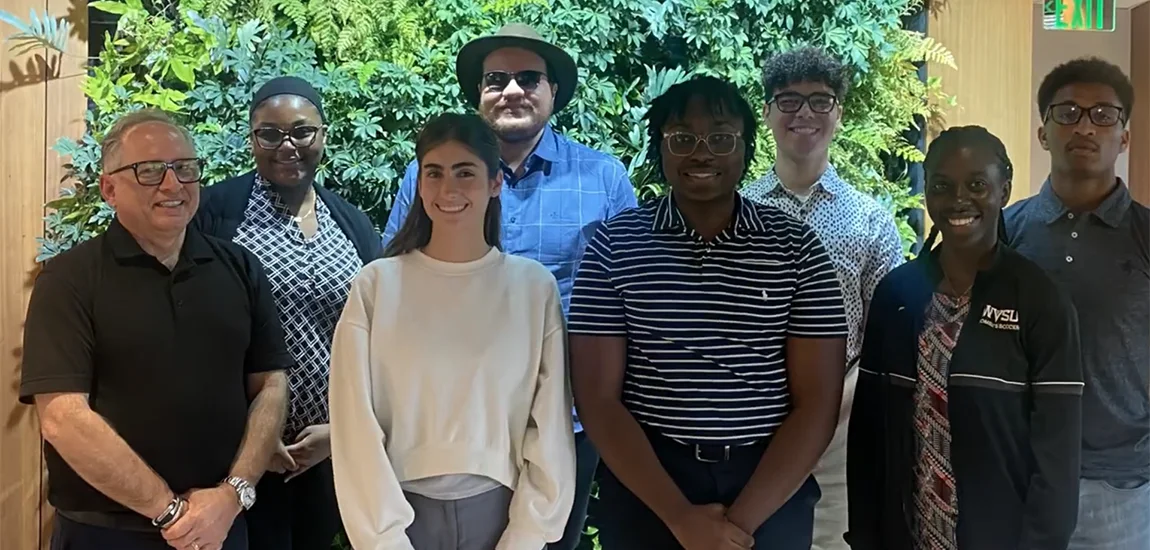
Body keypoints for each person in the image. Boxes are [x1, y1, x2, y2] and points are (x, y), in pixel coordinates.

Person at [568, 75, 849, 550]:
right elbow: (597, 399)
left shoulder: (796, 248)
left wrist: (737, 525)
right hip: (649, 487)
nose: (701, 152)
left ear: (745, 148)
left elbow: (819, 403)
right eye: (682, 138)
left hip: (769, 483)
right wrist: (681, 518)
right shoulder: (614, 247)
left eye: (720, 137)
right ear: (660, 148)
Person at [383, 26, 636, 547]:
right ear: (478, 94)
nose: (512, 90)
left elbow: (631, 302)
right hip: (448, 422)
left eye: (528, 78)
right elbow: (397, 285)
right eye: (496, 79)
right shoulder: (427, 177)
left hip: (567, 417)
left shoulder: (604, 179)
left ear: (553, 92)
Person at [19, 109, 291, 550]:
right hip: (105, 534)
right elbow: (63, 418)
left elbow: (271, 385)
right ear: (109, 188)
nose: (172, 185)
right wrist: (171, 512)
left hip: (222, 527)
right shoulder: (69, 280)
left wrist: (231, 494)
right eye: (149, 171)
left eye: (185, 169)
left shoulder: (240, 268)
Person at [330, 112, 576, 550]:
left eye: (465, 173)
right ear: (419, 183)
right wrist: (383, 539)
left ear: (495, 182)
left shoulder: (532, 288)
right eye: (434, 173)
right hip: (397, 517)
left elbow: (551, 426)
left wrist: (527, 534)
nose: (448, 190)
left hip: (503, 516)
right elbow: (354, 424)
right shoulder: (375, 286)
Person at [846, 125, 1083, 549]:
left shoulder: (1040, 301)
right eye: (942, 185)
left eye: (977, 184)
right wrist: (865, 535)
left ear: (1004, 189)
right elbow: (868, 437)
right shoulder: (896, 295)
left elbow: (1057, 461)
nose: (959, 199)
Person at [193, 76, 380, 550]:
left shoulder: (352, 223)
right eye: (269, 133)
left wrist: (339, 433)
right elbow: (190, 330)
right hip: (233, 452)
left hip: (329, 449)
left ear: (323, 134)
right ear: (252, 137)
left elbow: (378, 338)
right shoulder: (215, 214)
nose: (287, 145)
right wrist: (254, 440)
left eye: (302, 131)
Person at [740, 46, 904, 550]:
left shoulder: (869, 218)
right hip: (755, 406)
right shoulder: (736, 212)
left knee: (836, 538)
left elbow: (889, 332)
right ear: (766, 112)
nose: (804, 114)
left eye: (820, 100)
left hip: (843, 414)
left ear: (839, 112)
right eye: (788, 101)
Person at [1005, 57, 1148, 550]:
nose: (1085, 125)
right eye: (1067, 112)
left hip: (1122, 488)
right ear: (1044, 133)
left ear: (1123, 138)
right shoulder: (1005, 232)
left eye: (1103, 115)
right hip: (1019, 477)